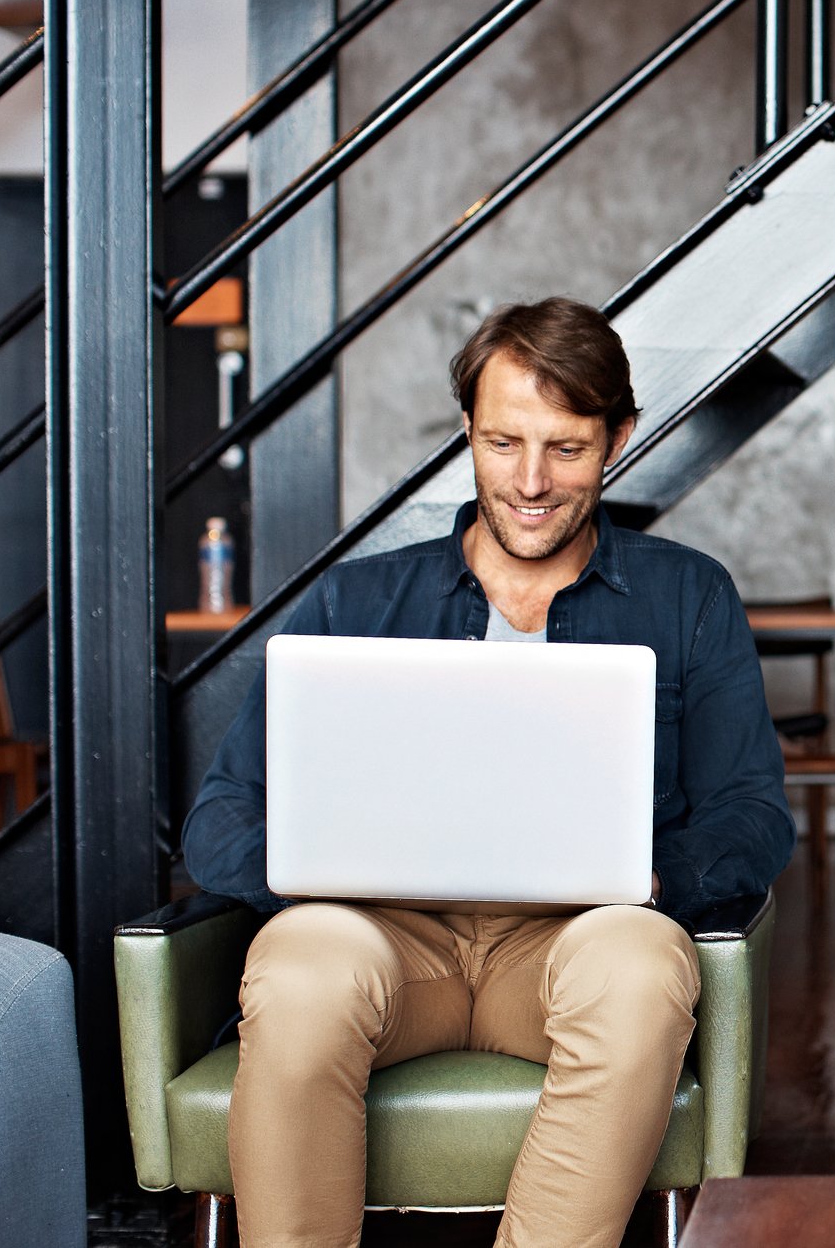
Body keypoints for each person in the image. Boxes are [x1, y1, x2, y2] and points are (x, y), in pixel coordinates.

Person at [183, 298, 794, 1248]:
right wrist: (327, 861)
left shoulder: (689, 596)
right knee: (302, 968)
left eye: (566, 447)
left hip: (566, 953)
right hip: (386, 949)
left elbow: (754, 816)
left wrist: (648, 878)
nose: (532, 482)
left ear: (618, 438)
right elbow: (219, 820)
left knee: (639, 968)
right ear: (467, 431)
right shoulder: (358, 601)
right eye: (503, 443)